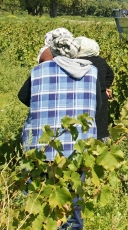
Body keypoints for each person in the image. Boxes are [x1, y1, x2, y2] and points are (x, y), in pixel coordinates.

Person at [19, 34, 100, 230]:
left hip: (40, 147)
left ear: (53, 52)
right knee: (72, 206)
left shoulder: (38, 71)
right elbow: (94, 105)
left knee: (37, 204)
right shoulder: (92, 72)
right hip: (77, 149)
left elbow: (24, 97)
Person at [75, 36, 115, 142]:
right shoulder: (101, 61)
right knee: (101, 124)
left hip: (85, 95)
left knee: (86, 122)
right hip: (101, 95)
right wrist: (105, 87)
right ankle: (103, 144)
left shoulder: (79, 63)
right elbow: (110, 74)